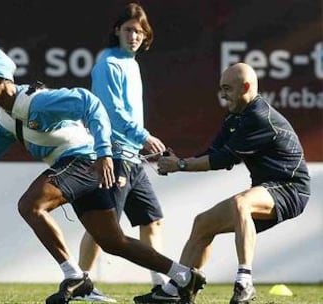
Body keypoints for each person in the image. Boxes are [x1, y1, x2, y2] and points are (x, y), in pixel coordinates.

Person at [0, 48, 207, 304]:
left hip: (86, 160)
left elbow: (90, 103)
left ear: (3, 79)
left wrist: (104, 153)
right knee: (112, 241)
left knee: (30, 205)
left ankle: (75, 276)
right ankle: (184, 276)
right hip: (80, 165)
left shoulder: (38, 101)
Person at [133, 62, 311, 304]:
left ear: (246, 87)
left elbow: (223, 159)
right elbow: (213, 151)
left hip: (291, 189)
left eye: (227, 88)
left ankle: (244, 282)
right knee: (203, 223)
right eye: (221, 88)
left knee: (242, 203)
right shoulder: (235, 117)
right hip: (267, 188)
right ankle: (179, 288)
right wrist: (177, 162)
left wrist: (179, 166)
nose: (223, 94)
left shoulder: (258, 116)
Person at [76, 3, 169, 302]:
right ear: (117, 30)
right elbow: (112, 113)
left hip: (133, 158)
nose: (134, 36)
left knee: (151, 220)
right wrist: (144, 136)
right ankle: (80, 285)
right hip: (113, 156)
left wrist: (140, 143)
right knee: (102, 226)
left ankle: (160, 286)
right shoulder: (107, 64)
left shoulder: (132, 63)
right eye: (129, 30)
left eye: (140, 32)